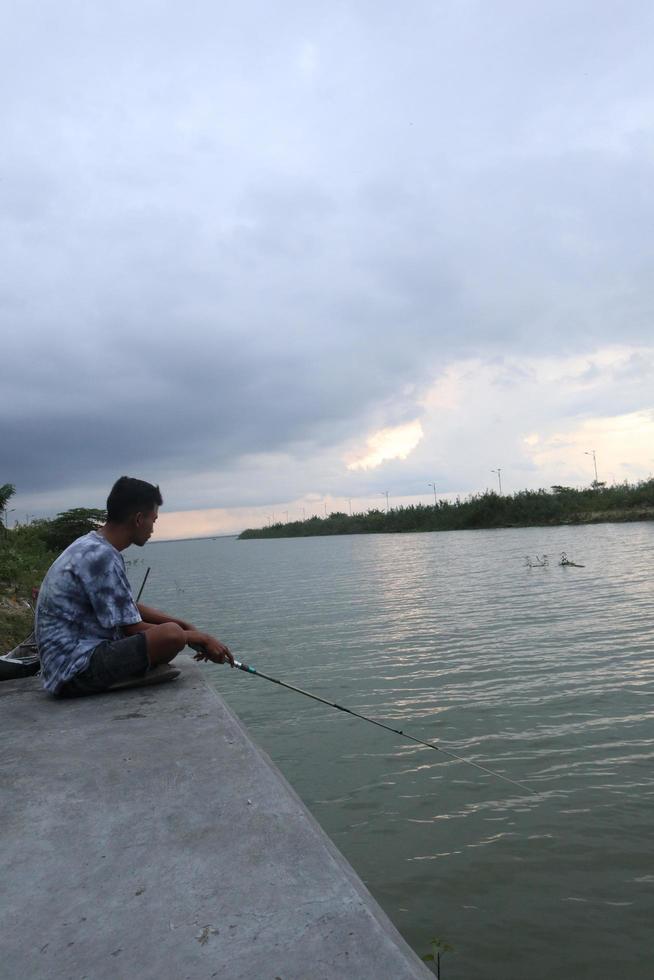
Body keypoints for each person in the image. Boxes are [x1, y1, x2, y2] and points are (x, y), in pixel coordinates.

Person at [35, 476, 234, 698]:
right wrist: (197, 637)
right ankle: (130, 675)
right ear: (139, 519)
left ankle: (136, 670)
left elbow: (125, 607)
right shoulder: (103, 557)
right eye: (154, 520)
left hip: (64, 667)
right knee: (172, 636)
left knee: (175, 629)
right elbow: (132, 628)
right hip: (75, 671)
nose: (153, 529)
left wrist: (183, 623)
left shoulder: (92, 546)